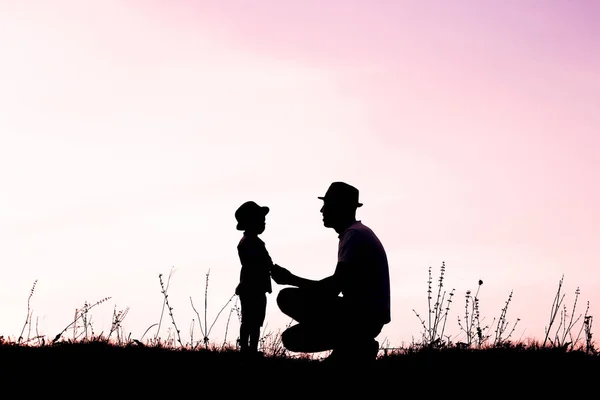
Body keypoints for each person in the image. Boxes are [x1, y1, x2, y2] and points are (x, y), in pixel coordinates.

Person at [271, 181, 391, 365]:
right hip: (367, 315)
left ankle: (357, 344)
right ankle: (351, 347)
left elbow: (333, 288)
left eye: (326, 205)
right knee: (291, 338)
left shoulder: (354, 236)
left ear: (339, 207)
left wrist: (290, 279)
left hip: (363, 317)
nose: (322, 210)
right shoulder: (356, 233)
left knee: (287, 298)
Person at [234, 200, 275, 355]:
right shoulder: (249, 243)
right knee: (250, 320)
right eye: (260, 220)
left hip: (255, 286)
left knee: (255, 320)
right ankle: (246, 348)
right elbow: (258, 263)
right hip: (251, 286)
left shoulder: (253, 242)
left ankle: (251, 348)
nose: (263, 224)